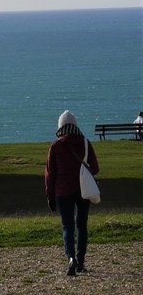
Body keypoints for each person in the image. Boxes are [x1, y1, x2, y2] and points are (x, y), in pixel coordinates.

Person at [45, 111, 99, 276]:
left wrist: (50, 196)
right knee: (82, 225)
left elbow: (50, 174)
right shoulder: (85, 143)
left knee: (67, 226)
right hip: (83, 190)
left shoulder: (56, 146)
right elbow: (95, 168)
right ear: (76, 126)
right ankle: (80, 261)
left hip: (63, 191)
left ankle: (70, 258)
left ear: (60, 127)